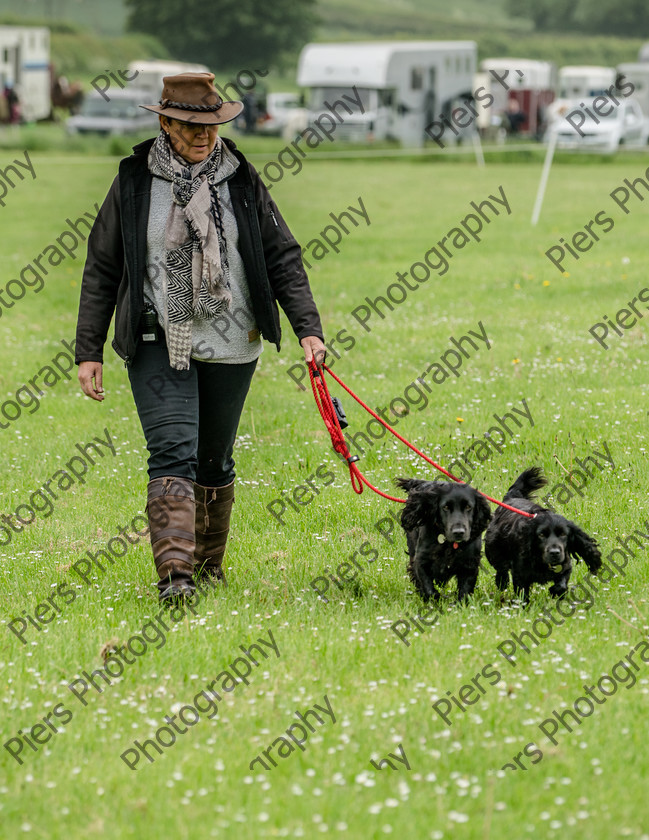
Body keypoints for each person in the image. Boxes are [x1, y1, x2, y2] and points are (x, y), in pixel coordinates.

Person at [75, 73, 326, 604]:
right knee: (171, 450)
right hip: (156, 337)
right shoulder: (133, 180)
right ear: (164, 122)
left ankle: (208, 568)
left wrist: (308, 329)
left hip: (233, 339)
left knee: (214, 460)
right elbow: (102, 266)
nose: (203, 136)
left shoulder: (241, 178)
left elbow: (282, 255)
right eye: (190, 126)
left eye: (211, 126)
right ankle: (176, 578)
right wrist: (88, 351)